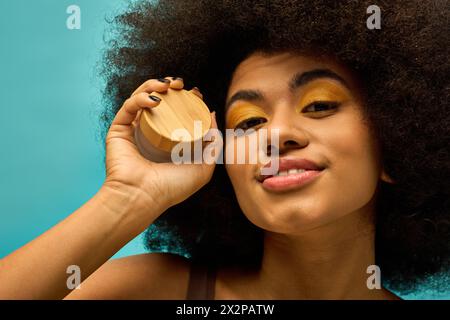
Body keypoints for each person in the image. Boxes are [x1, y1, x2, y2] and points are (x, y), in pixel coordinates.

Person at [0, 0, 448, 299]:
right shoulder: (153, 292)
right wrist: (129, 197)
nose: (278, 134)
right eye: (249, 122)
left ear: (394, 147)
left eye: (320, 105)